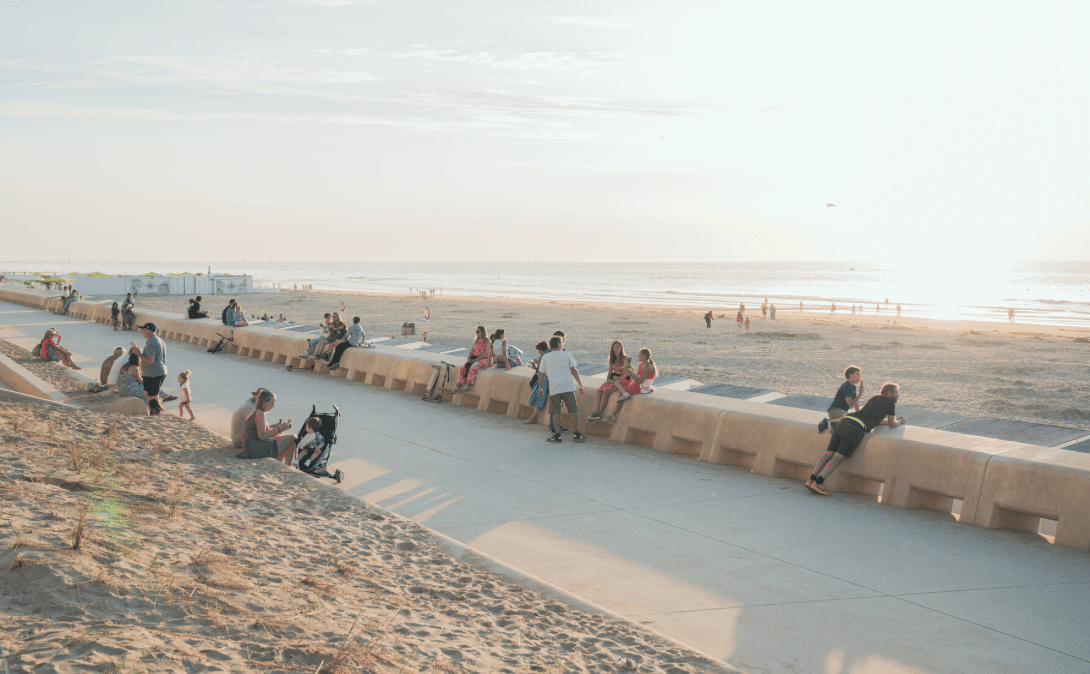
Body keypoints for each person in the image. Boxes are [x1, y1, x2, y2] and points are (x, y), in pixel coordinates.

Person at [806, 383, 906, 496]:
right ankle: (819, 483)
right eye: (896, 393)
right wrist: (900, 421)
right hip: (854, 428)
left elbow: (874, 420)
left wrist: (890, 421)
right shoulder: (890, 402)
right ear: (889, 393)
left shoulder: (874, 398)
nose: (898, 395)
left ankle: (811, 480)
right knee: (838, 456)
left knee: (828, 453)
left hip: (845, 421)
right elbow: (893, 424)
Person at [539, 335, 585, 443]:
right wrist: (580, 384)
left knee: (556, 413)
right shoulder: (567, 355)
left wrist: (540, 388)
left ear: (551, 346)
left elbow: (542, 374)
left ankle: (557, 435)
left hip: (554, 389)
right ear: (559, 345)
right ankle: (576, 434)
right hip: (568, 387)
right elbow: (574, 370)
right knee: (572, 411)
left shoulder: (546, 357)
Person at [241, 390, 297, 464]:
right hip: (255, 450)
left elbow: (257, 431)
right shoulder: (260, 414)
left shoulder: (255, 411)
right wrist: (279, 428)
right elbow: (262, 436)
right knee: (293, 437)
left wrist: (273, 427)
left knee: (288, 441)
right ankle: (286, 466)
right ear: (264, 402)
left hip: (250, 448)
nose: (273, 405)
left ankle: (280, 464)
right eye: (272, 403)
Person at [587, 341, 629, 421]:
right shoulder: (612, 359)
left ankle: (599, 413)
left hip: (622, 381)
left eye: (618, 347)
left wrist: (616, 380)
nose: (616, 349)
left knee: (606, 392)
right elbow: (610, 373)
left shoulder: (626, 359)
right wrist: (609, 380)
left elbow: (627, 374)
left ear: (621, 348)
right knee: (599, 391)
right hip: (614, 380)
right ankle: (595, 412)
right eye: (614, 347)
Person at [817, 366, 864, 433]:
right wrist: (860, 394)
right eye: (857, 375)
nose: (859, 377)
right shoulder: (846, 386)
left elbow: (856, 402)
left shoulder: (853, 387)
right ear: (850, 376)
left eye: (860, 375)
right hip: (834, 411)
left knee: (853, 420)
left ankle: (834, 423)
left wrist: (858, 415)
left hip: (841, 412)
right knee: (850, 418)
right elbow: (850, 404)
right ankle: (828, 422)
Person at [454, 325, 494, 393]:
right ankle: (459, 384)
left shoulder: (487, 341)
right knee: (463, 368)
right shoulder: (476, 341)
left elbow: (486, 354)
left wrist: (476, 360)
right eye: (476, 332)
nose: (476, 333)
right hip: (476, 358)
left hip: (485, 359)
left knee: (473, 367)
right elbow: (471, 351)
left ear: (482, 332)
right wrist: (469, 357)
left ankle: (468, 384)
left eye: (478, 332)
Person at [135, 322, 168, 404]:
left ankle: (156, 411)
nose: (142, 331)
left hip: (153, 374)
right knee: (150, 394)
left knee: (151, 396)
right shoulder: (159, 340)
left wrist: (138, 353)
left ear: (149, 331)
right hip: (159, 372)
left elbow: (150, 360)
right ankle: (157, 410)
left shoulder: (152, 343)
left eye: (143, 330)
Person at [523, 341, 551, 426]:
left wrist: (538, 363)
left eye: (539, 350)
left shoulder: (548, 356)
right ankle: (533, 417)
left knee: (540, 398)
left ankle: (533, 418)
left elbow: (548, 369)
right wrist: (535, 365)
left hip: (545, 381)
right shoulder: (542, 356)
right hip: (541, 379)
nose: (538, 352)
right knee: (537, 397)